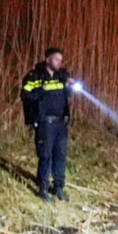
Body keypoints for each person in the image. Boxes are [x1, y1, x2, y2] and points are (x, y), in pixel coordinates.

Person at [21, 47, 73, 203]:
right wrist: (41, 90)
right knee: (45, 156)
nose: (59, 63)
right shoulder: (35, 76)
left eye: (60, 60)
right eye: (56, 59)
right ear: (48, 60)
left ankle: (58, 186)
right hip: (45, 122)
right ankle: (43, 188)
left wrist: (69, 86)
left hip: (60, 122)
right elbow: (25, 95)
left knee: (60, 155)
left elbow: (67, 94)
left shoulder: (61, 76)